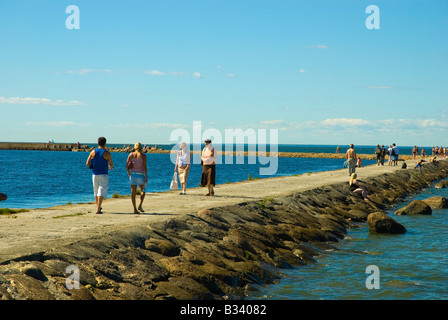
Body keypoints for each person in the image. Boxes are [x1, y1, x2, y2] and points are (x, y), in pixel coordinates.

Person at [86, 137, 114, 214]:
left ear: (98, 143)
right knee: (101, 190)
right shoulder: (106, 153)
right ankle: (98, 209)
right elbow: (111, 163)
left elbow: (87, 163)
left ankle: (98, 206)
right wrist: (111, 166)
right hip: (104, 174)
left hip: (94, 174)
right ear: (105, 143)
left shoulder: (93, 152)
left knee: (96, 191)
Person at [126, 142, 148, 214]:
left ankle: (135, 209)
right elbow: (144, 167)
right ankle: (140, 205)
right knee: (143, 191)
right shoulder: (143, 156)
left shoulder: (131, 155)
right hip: (141, 175)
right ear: (141, 147)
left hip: (133, 175)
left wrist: (129, 174)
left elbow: (127, 165)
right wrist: (146, 176)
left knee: (133, 193)